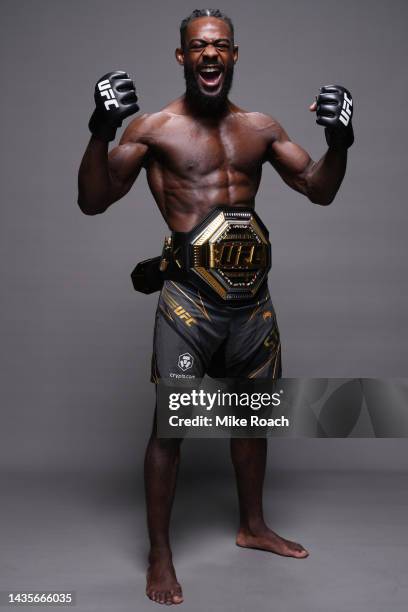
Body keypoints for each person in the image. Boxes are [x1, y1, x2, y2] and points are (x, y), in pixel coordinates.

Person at [77, 8, 354, 605]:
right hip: (188, 306)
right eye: (198, 46)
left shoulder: (259, 127)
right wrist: (100, 129)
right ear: (182, 57)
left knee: (253, 418)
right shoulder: (152, 130)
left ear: (233, 55)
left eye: (220, 45)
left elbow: (319, 190)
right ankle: (160, 554)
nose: (209, 54)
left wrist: (341, 141)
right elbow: (93, 201)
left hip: (252, 304)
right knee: (170, 429)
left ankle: (252, 526)